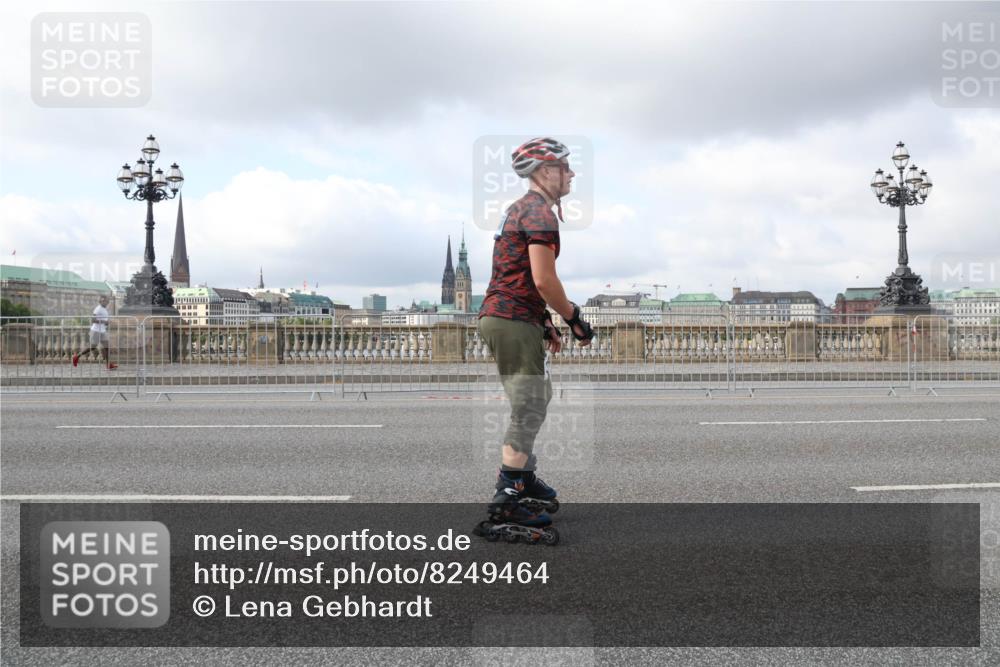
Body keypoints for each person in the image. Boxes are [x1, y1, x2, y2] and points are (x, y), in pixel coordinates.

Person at [476, 137, 594, 532]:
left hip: (511, 316)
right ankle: (508, 495)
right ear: (546, 172)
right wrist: (573, 317)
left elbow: (517, 276)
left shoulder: (522, 209)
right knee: (528, 406)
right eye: (566, 166)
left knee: (535, 398)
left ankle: (522, 477)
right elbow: (543, 279)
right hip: (511, 318)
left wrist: (543, 322)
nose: (572, 173)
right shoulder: (539, 212)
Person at [72, 295, 117, 369]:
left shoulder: (104, 309)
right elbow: (93, 320)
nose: (107, 302)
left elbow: (104, 319)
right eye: (105, 301)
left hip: (102, 331)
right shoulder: (98, 309)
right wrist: (104, 321)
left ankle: (108, 365)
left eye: (107, 301)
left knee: (107, 347)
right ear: (101, 301)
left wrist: (107, 322)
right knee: (92, 347)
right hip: (96, 331)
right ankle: (76, 356)